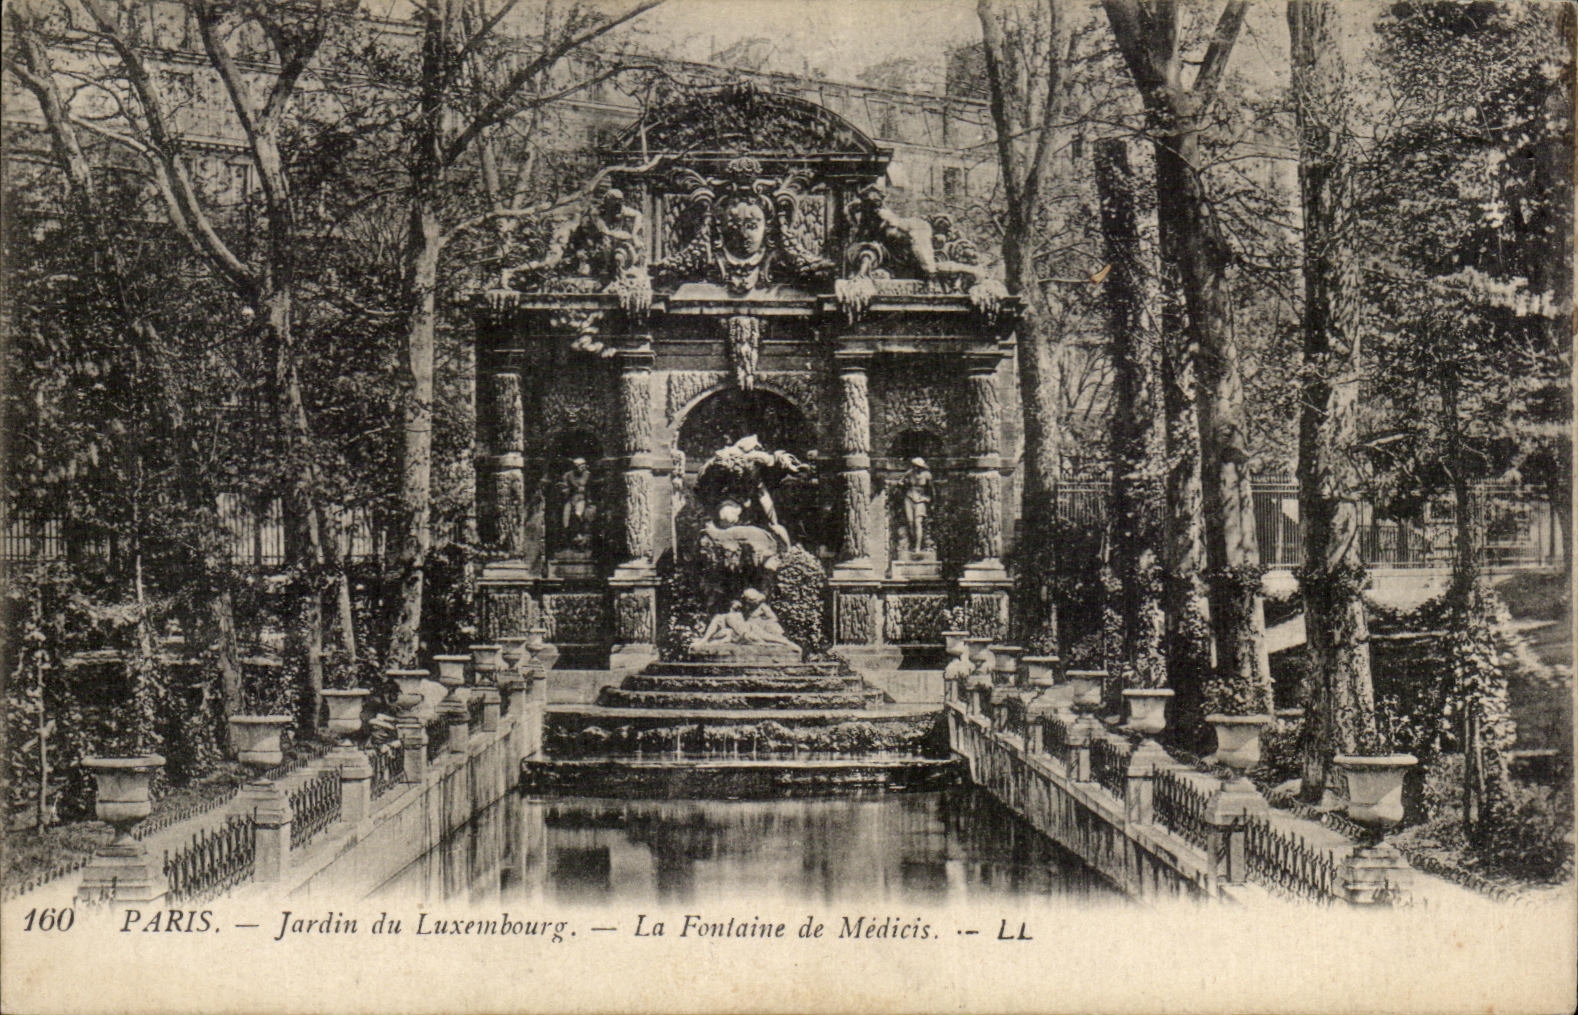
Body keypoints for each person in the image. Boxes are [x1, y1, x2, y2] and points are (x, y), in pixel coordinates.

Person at [900, 456, 933, 554]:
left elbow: (931, 489)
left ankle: (918, 547)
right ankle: (913, 544)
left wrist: (929, 499)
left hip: (921, 500)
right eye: (914, 466)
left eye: (917, 466)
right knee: (910, 523)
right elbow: (900, 481)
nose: (915, 468)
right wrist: (903, 484)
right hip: (909, 497)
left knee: (918, 523)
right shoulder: (910, 473)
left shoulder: (927, 475)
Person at [560, 457, 593, 539]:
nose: (583, 468)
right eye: (581, 466)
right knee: (566, 517)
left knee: (577, 515)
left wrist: (589, 498)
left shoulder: (587, 474)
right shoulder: (568, 475)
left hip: (581, 498)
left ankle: (578, 534)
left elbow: (589, 488)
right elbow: (564, 487)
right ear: (575, 466)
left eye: (584, 466)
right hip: (570, 497)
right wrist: (566, 490)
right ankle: (567, 536)